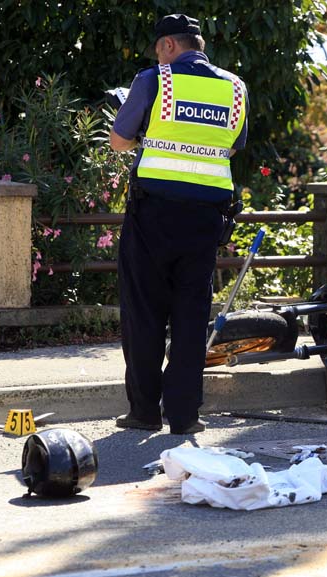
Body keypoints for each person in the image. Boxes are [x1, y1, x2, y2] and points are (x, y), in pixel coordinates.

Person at [109, 14, 248, 434]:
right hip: (206, 218)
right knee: (192, 316)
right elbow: (233, 145)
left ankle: (145, 412)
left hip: (154, 214)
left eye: (158, 49)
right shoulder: (236, 89)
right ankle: (185, 417)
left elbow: (118, 139)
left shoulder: (155, 80)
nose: (157, 56)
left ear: (169, 45)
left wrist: (143, 138)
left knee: (145, 313)